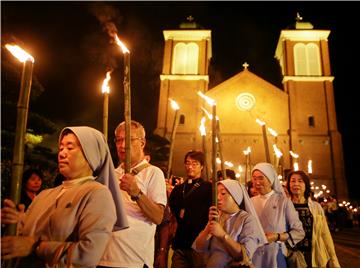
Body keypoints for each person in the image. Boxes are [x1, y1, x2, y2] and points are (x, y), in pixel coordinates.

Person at [1, 126, 128, 267]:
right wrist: (15, 222)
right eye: (61, 148)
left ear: (90, 154)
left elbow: (87, 254)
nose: (62, 154)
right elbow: (21, 241)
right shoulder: (44, 195)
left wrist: (36, 246)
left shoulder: (96, 194)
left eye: (70, 148)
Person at [99, 120, 167, 268]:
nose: (122, 145)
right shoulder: (111, 174)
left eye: (129, 140)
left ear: (142, 143)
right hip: (103, 257)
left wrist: (137, 193)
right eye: (119, 140)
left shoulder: (153, 173)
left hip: (133, 260)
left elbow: (158, 217)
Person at [193, 179, 267, 267]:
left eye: (223, 193)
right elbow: (199, 247)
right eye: (217, 194)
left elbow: (244, 256)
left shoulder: (247, 220)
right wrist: (208, 227)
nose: (218, 197)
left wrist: (223, 235)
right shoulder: (217, 216)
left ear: (235, 196)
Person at [250, 162, 305, 268]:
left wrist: (277, 236)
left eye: (261, 178)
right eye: (254, 178)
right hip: (254, 255)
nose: (257, 182)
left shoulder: (284, 202)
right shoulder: (250, 202)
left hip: (275, 255)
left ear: (270, 180)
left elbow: (299, 232)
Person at [287, 170, 340, 268]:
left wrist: (333, 258)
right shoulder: (285, 206)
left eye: (300, 181)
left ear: (306, 185)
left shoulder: (316, 207)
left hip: (314, 254)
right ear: (288, 184)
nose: (296, 184)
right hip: (292, 256)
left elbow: (325, 234)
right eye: (293, 181)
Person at [168, 150, 212, 268]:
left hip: (199, 245)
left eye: (194, 163)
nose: (190, 167)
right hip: (180, 244)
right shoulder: (178, 189)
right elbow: (172, 213)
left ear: (202, 166)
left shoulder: (208, 188)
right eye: (187, 163)